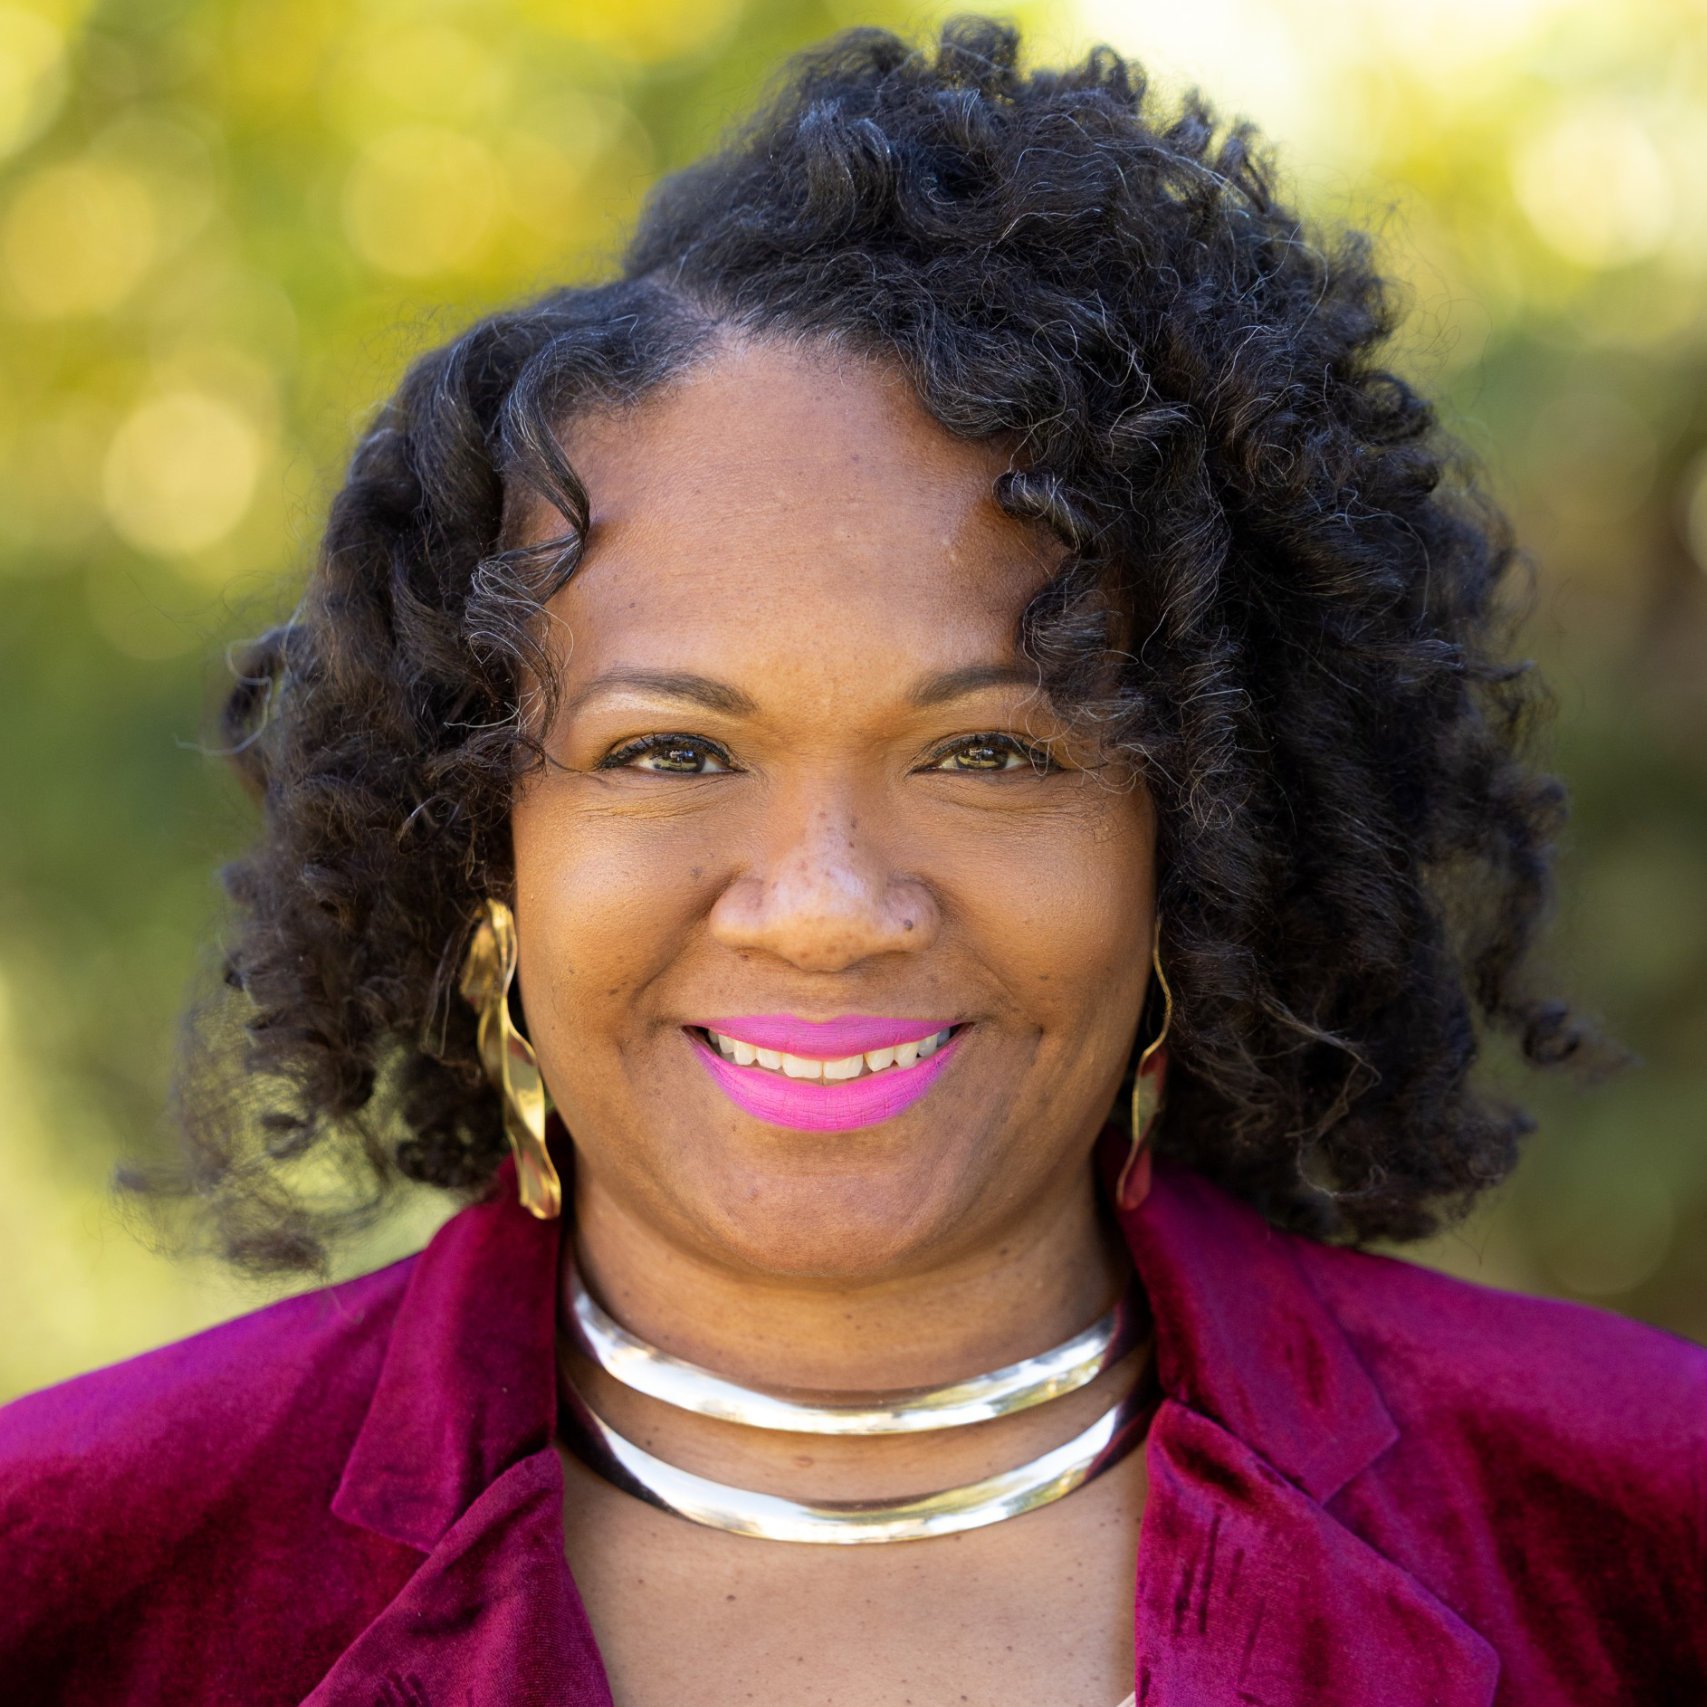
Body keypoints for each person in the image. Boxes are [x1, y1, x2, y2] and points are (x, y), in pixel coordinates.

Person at [2, 17, 1702, 1706]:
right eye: (669, 751)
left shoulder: (1644, 1539)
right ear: (483, 848)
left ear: (1197, 833)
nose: (824, 907)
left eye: (991, 752)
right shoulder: (73, 1579)